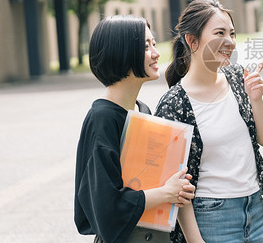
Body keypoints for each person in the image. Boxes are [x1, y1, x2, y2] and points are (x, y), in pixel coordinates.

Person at [154, 0, 263, 243]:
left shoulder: (238, 78)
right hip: (212, 219)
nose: (230, 42)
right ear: (192, 40)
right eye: (219, 33)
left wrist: (257, 100)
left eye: (232, 33)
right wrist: (195, 240)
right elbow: (175, 185)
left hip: (258, 209)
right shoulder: (174, 104)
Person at [74, 15, 196, 243]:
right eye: (145, 46)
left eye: (153, 43)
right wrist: (165, 192)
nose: (156, 52)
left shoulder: (142, 110)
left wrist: (177, 188)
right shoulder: (103, 119)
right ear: (121, 51)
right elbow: (105, 208)